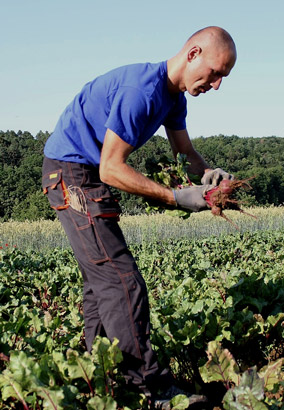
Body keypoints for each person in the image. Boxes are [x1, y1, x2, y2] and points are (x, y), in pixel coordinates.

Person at [42, 26, 237, 407]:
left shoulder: (174, 97)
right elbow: (110, 169)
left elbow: (185, 153)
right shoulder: (142, 92)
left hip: (80, 171)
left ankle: (100, 375)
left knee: (100, 283)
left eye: (223, 79)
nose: (216, 85)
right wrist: (176, 197)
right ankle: (154, 388)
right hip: (70, 172)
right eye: (215, 73)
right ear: (193, 53)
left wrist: (208, 175)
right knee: (121, 279)